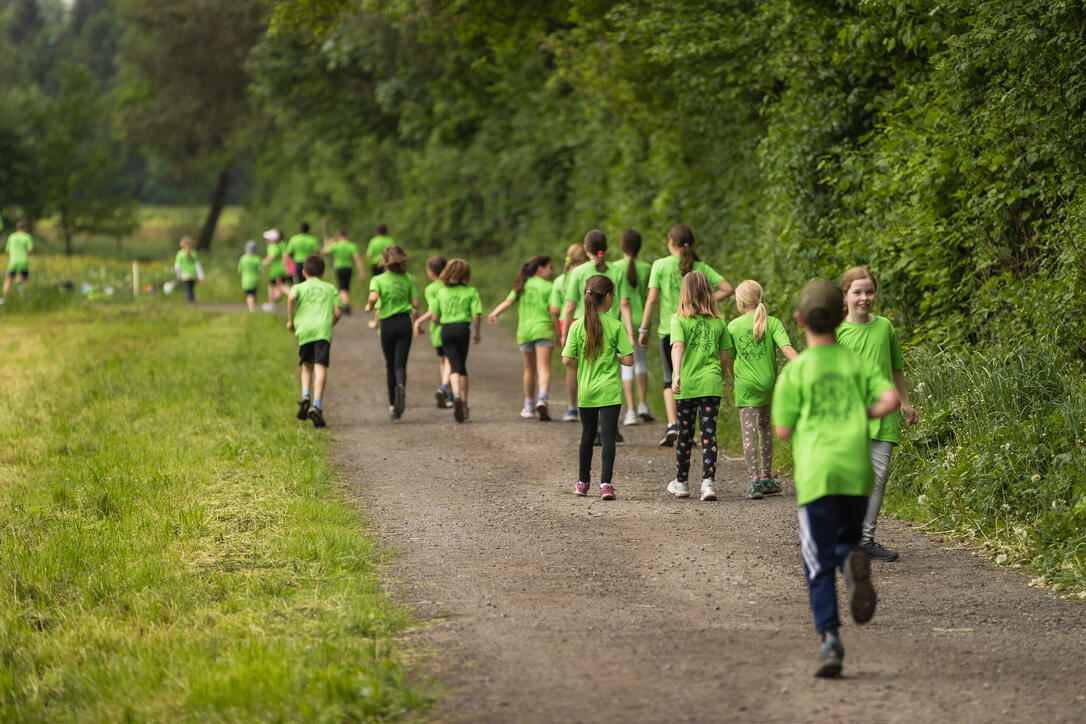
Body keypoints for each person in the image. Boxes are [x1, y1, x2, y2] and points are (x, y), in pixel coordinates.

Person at [772, 279, 898, 677]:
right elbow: (890, 398)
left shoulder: (797, 371)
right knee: (847, 540)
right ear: (843, 314)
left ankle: (830, 640)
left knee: (817, 562)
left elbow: (782, 430)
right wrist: (858, 415)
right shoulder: (855, 362)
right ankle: (853, 561)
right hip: (856, 471)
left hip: (817, 476)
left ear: (799, 320)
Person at [835, 267, 919, 562]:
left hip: (884, 415)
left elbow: (896, 367)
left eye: (869, 291)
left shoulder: (884, 327)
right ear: (845, 296)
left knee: (878, 477)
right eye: (857, 292)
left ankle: (865, 539)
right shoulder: (837, 332)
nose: (864, 297)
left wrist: (906, 402)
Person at [639, 223, 734, 447]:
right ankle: (695, 429)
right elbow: (728, 288)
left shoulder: (660, 265)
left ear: (671, 241)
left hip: (669, 328)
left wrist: (643, 328)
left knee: (670, 376)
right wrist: (707, 303)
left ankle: (674, 424)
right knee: (695, 373)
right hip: (700, 325)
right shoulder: (699, 266)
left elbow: (652, 299)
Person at [562, 275, 634, 500]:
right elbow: (630, 360)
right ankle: (605, 484)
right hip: (610, 391)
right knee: (608, 438)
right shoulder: (616, 326)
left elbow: (566, 360)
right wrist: (617, 357)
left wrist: (582, 361)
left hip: (586, 391)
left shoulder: (577, 326)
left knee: (587, 434)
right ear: (609, 297)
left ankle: (582, 483)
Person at [727, 280, 798, 500]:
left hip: (745, 386)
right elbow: (786, 349)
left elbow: (729, 359)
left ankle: (754, 481)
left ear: (740, 302)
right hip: (768, 385)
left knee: (749, 434)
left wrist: (733, 378)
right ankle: (767, 477)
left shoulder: (733, 326)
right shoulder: (772, 322)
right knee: (765, 429)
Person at [667, 272, 734, 502]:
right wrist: (721, 376)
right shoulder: (719, 322)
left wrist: (676, 375)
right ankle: (708, 483)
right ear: (708, 292)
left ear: (684, 293)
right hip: (711, 384)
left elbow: (677, 347)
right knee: (708, 434)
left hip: (686, 384)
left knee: (684, 434)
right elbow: (724, 356)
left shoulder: (678, 320)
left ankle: (682, 483)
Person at [488, 255, 555, 420]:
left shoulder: (521, 285)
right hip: (543, 329)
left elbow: (508, 302)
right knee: (543, 368)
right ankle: (543, 400)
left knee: (529, 369)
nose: (551, 271)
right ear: (540, 268)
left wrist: (494, 313)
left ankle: (529, 406)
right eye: (549, 267)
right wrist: (560, 331)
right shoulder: (549, 286)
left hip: (524, 332)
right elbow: (554, 310)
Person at [287, 254, 342, 428]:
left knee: (306, 366)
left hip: (304, 330)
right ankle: (316, 405)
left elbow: (290, 298)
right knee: (320, 366)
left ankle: (305, 396)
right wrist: (329, 324)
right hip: (322, 331)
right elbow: (338, 312)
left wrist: (291, 320)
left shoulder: (299, 287)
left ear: (303, 272)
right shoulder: (330, 288)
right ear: (323, 273)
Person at [364, 245, 419, 421]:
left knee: (389, 364)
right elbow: (416, 302)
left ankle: (393, 407)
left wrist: (369, 305)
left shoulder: (378, 280)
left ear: (385, 261)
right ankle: (401, 385)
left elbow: (373, 297)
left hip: (387, 324)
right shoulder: (408, 279)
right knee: (400, 364)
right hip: (404, 323)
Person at [430, 258, 482, 423]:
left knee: (452, 364)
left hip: (446, 329)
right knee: (462, 365)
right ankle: (464, 404)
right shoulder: (471, 292)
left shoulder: (442, 292)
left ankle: (456, 395)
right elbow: (476, 314)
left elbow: (434, 316)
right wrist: (477, 332)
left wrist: (442, 322)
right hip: (462, 329)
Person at [614, 229, 654, 426]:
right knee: (641, 362)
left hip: (623, 322)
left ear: (622, 245)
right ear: (640, 246)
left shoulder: (615, 267)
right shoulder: (647, 267)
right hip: (642, 321)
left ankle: (630, 411)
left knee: (626, 366)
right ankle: (643, 404)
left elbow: (621, 301)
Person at [551, 244, 589, 422]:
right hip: (589, 321)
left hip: (569, 323)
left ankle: (572, 407)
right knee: (590, 365)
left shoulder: (561, 280)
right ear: (584, 258)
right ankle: (590, 405)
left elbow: (556, 309)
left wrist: (561, 332)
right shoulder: (587, 274)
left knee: (572, 368)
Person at [413, 255, 453, 408]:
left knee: (444, 360)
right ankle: (446, 388)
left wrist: (419, 320)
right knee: (449, 359)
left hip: (437, 329)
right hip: (451, 324)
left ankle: (446, 390)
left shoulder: (430, 289)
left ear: (431, 272)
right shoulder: (450, 284)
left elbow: (433, 311)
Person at [322, 228, 364, 314]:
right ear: (346, 236)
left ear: (338, 236)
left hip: (339, 268)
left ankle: (346, 305)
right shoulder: (351, 245)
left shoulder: (336, 245)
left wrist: (330, 242)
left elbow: (323, 251)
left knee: (342, 288)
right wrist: (361, 270)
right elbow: (357, 259)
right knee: (346, 287)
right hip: (349, 268)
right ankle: (346, 303)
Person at [3, 220, 33, 299]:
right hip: (23, 262)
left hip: (13, 262)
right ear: (25, 228)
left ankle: (4, 298)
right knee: (24, 281)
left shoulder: (11, 236)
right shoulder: (27, 236)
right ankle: (22, 298)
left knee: (8, 280)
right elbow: (30, 251)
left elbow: (7, 251)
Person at [262, 228, 290, 310]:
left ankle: (271, 305)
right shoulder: (278, 245)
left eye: (267, 238)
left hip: (276, 271)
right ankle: (273, 302)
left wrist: (264, 262)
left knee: (274, 286)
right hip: (281, 269)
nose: (266, 240)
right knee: (277, 285)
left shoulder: (272, 246)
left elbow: (272, 255)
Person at [174, 236, 205, 306]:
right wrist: (201, 277)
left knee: (188, 290)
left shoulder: (180, 253)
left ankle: (191, 302)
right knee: (191, 289)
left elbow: (177, 266)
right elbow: (198, 266)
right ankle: (193, 301)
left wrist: (178, 276)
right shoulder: (194, 253)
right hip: (193, 274)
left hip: (185, 275)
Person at [238, 240, 263, 312]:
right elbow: (261, 271)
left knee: (249, 295)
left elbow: (240, 270)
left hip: (245, 279)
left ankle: (252, 310)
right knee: (253, 294)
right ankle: (253, 308)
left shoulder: (243, 258)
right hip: (255, 279)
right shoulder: (257, 258)